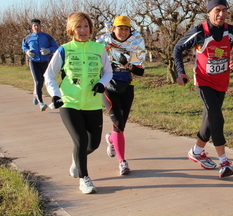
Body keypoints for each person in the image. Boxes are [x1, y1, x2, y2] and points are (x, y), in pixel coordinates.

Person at [173, 0, 233, 178]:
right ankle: (224, 162)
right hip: (203, 81)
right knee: (217, 117)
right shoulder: (200, 31)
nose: (221, 14)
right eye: (217, 11)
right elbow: (177, 48)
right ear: (209, 13)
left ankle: (197, 151)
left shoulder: (231, 32)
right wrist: (180, 72)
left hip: (222, 82)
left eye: (224, 10)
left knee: (209, 118)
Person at [44, 12, 112, 194]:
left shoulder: (99, 49)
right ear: (71, 30)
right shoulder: (64, 50)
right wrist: (55, 95)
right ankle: (84, 179)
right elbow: (49, 75)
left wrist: (101, 84)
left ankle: (77, 160)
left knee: (93, 144)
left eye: (86, 26)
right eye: (79, 27)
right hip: (69, 102)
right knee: (81, 140)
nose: (83, 30)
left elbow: (108, 72)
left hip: (92, 103)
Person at [96, 16, 146, 176]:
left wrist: (128, 65)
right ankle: (122, 162)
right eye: (120, 28)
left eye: (126, 29)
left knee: (121, 125)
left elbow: (140, 71)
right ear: (113, 29)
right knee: (117, 122)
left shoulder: (134, 44)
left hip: (127, 86)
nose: (123, 32)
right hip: (108, 86)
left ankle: (111, 139)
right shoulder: (103, 44)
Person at [22, 19, 58, 111]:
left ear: (40, 26)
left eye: (38, 25)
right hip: (34, 62)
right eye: (34, 26)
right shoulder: (28, 37)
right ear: (32, 27)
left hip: (45, 62)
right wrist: (27, 51)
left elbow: (55, 46)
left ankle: (36, 95)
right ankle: (41, 103)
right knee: (38, 81)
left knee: (45, 81)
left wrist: (48, 50)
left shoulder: (47, 37)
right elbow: (24, 46)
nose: (36, 27)